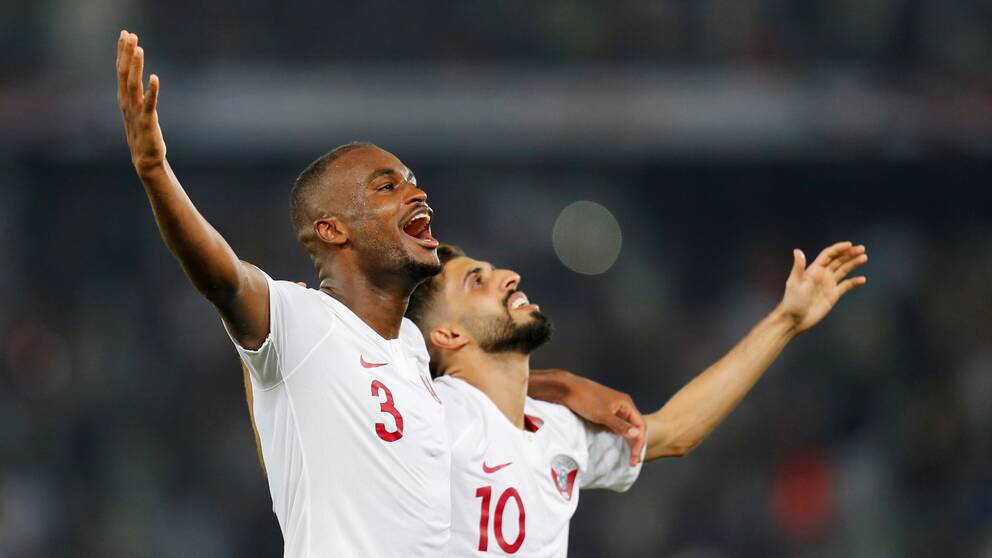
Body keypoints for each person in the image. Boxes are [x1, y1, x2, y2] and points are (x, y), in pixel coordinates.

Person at [115, 30, 646, 557]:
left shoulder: (411, 350)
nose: (418, 193)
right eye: (388, 186)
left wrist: (560, 385)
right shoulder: (304, 320)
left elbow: (474, 388)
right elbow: (224, 278)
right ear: (332, 230)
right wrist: (155, 172)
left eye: (412, 180)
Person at [404, 242, 867, 556]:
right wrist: (560, 382)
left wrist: (785, 321)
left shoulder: (557, 428)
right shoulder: (429, 418)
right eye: (477, 282)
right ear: (448, 334)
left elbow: (675, 430)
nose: (508, 276)